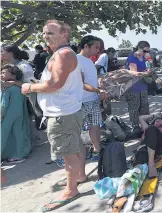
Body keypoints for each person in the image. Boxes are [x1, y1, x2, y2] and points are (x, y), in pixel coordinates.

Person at [21, 19, 85, 211]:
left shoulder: (63, 55)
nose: (45, 36)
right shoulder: (62, 54)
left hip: (61, 114)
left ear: (64, 34)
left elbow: (55, 84)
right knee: (74, 148)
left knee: (67, 154)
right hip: (67, 111)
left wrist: (29, 87)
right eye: (44, 33)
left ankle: (71, 190)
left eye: (50, 33)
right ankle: (78, 177)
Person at [77, 35, 108, 162]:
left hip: (93, 99)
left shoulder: (89, 61)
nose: (98, 51)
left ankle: (97, 149)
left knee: (95, 125)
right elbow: (81, 83)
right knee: (78, 130)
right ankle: (79, 156)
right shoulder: (76, 60)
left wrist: (100, 87)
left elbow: (91, 80)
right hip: (81, 101)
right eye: (96, 47)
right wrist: (98, 90)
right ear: (86, 46)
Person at [1, 64, 31, 163]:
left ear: (13, 75)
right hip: (20, 114)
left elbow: (3, 105)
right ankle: (19, 154)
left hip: (7, 115)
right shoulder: (18, 87)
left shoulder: (7, 88)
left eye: (4, 73)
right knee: (19, 133)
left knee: (3, 135)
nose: (1, 75)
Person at [125, 41, 152, 132]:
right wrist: (145, 73)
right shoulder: (132, 58)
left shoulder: (143, 58)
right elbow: (134, 73)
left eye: (147, 51)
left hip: (143, 86)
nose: (146, 53)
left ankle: (145, 126)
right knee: (134, 108)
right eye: (145, 51)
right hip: (133, 87)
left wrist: (149, 71)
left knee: (144, 106)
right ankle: (136, 127)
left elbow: (144, 68)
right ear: (139, 48)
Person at [137, 112, 162, 178]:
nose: (158, 120)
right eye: (156, 120)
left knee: (151, 128)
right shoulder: (148, 128)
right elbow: (141, 118)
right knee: (140, 157)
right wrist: (154, 115)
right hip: (148, 149)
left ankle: (151, 164)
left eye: (160, 120)